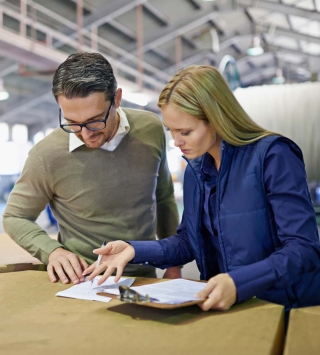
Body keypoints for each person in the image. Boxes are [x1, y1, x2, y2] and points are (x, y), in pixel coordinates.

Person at [84, 65, 320, 316]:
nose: (177, 141)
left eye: (185, 132)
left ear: (217, 119)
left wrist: (238, 282)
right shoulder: (196, 170)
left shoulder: (273, 156)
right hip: (227, 306)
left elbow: (303, 249)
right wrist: (135, 250)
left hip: (286, 306)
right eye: (171, 131)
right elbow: (189, 242)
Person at [3, 52, 181, 284]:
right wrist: (52, 251)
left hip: (143, 277)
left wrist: (173, 261)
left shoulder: (151, 129)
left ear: (117, 99)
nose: (86, 134)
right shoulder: (46, 155)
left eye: (95, 120)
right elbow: (15, 216)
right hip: (81, 281)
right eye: (73, 123)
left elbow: (164, 197)